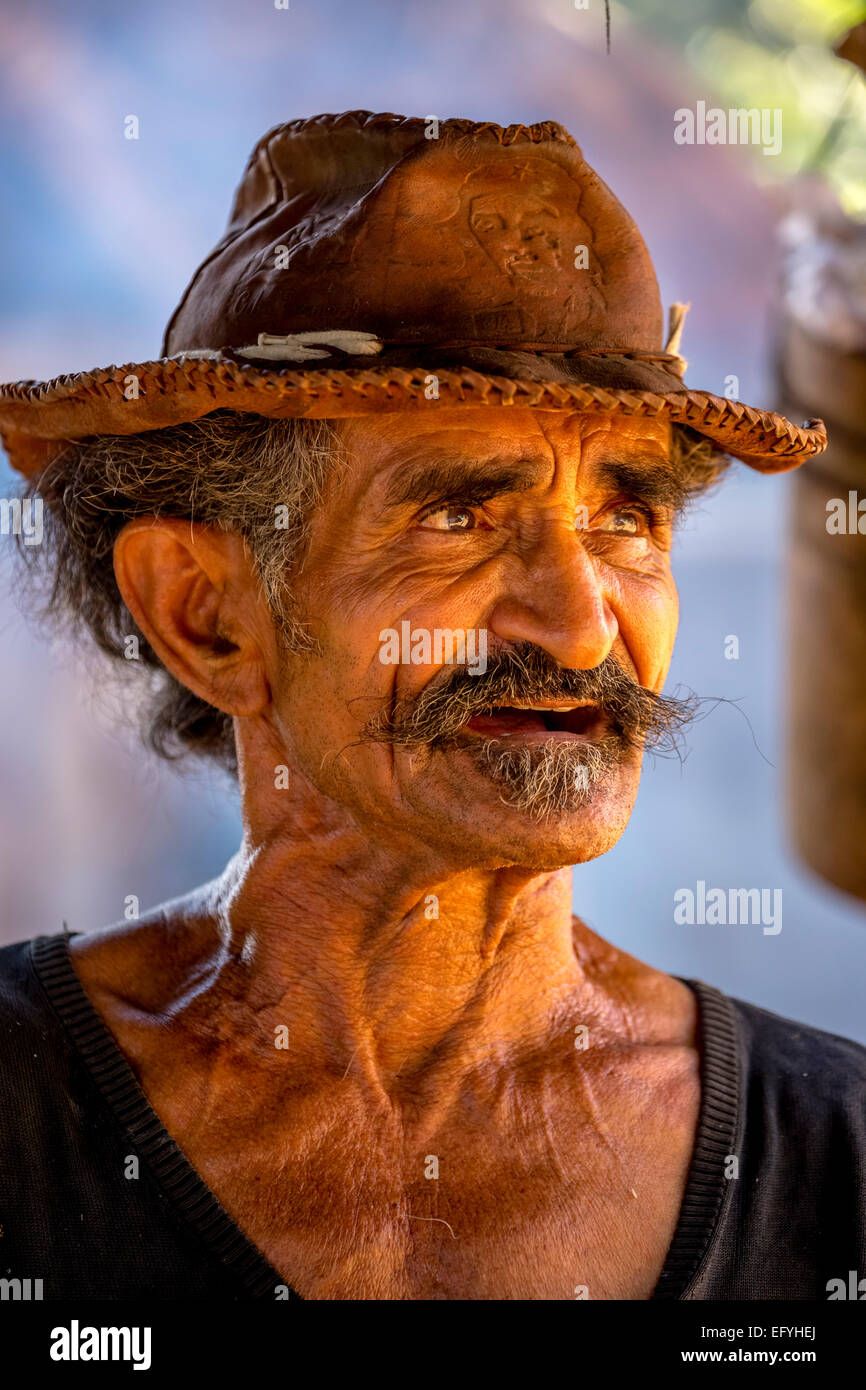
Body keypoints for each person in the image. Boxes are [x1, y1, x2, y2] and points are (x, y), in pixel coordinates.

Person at [0, 111, 861, 1302]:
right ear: (205, 612)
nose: (577, 626)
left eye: (628, 518)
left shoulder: (835, 1154)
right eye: (456, 514)